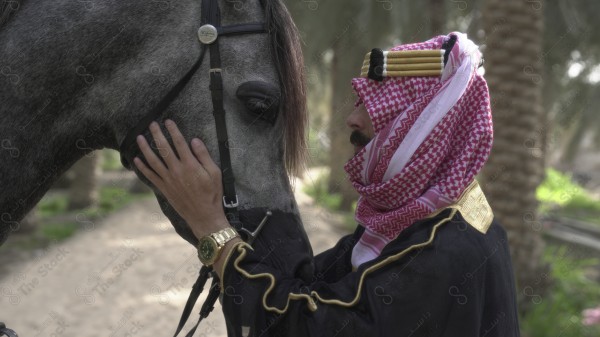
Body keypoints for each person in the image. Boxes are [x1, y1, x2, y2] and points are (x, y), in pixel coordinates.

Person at [134, 32, 521, 336]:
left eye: (368, 105)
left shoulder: (439, 251)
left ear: (422, 125)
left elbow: (302, 328)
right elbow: (312, 289)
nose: (352, 120)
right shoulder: (430, 217)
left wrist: (210, 229)